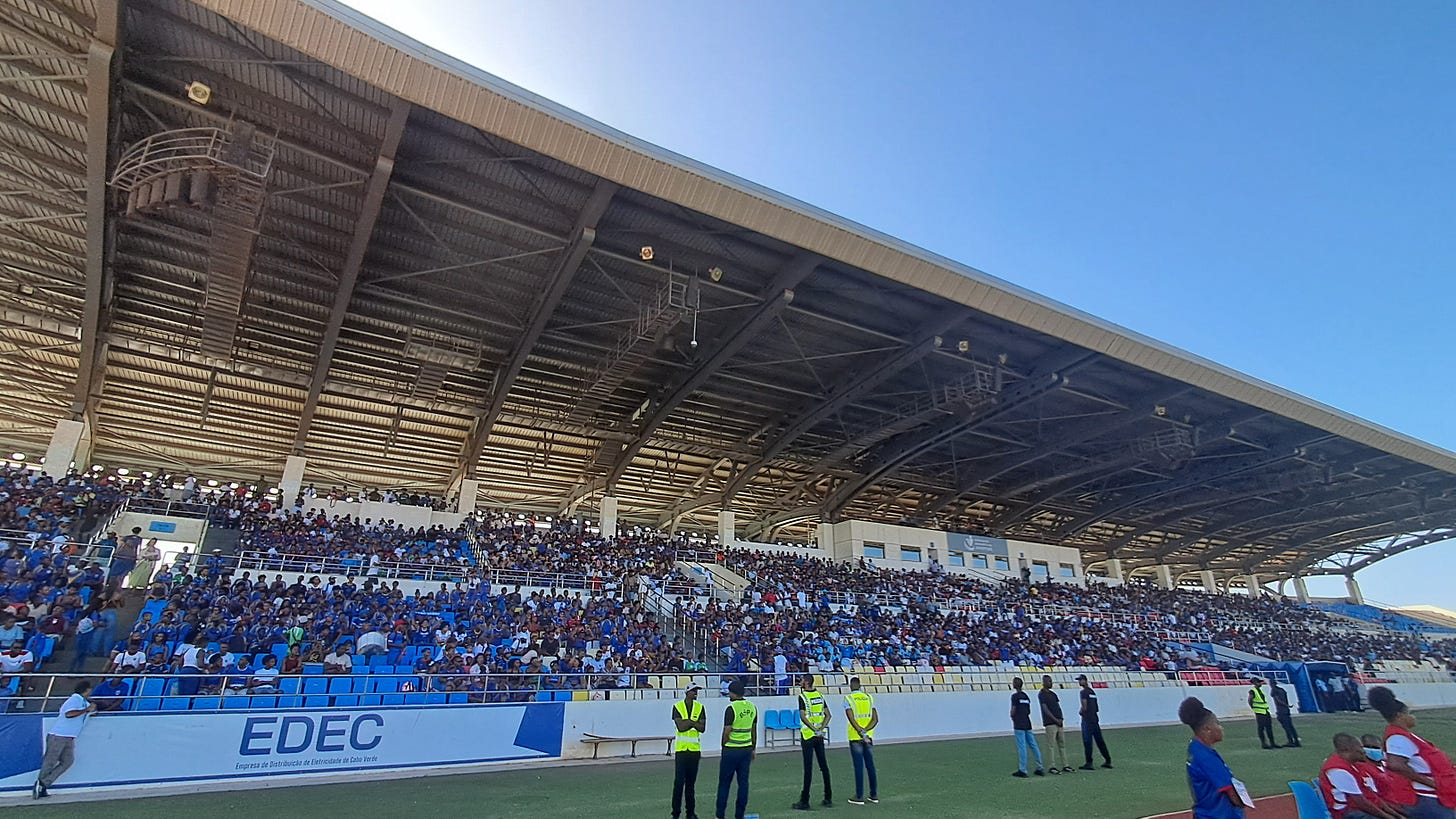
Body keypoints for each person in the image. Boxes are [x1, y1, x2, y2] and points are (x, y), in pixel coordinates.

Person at [1369, 686, 1456, 818]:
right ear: (1400, 716)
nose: (1413, 717)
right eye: (1409, 713)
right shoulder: (1397, 737)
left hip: (1432, 795)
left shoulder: (1404, 736)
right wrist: (1432, 783)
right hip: (1425, 797)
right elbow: (1396, 765)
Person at [1178, 696, 1248, 818]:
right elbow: (1232, 794)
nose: (1221, 728)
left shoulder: (1195, 747)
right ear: (1207, 728)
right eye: (1217, 723)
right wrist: (1243, 802)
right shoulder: (1206, 757)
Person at [35, 680, 96, 799]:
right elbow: (69, 714)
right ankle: (41, 785)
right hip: (59, 735)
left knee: (68, 761)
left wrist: (90, 710)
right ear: (87, 690)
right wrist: (86, 710)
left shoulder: (82, 701)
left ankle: (44, 783)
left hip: (69, 736)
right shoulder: (74, 700)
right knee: (50, 761)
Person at [1320, 732, 1404, 819]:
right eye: (1360, 747)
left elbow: (1372, 796)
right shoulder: (1338, 770)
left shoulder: (1354, 766)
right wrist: (1388, 817)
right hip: (1346, 813)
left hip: (1357, 809)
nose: (1363, 751)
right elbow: (1361, 802)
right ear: (1347, 749)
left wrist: (1397, 814)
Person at [715, 679, 756, 819]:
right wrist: (753, 748)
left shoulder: (731, 709)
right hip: (746, 749)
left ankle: (720, 815)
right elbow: (753, 730)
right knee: (743, 784)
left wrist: (723, 745)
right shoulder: (752, 707)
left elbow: (727, 731)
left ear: (733, 693)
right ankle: (739, 814)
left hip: (731, 749)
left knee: (724, 784)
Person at [793, 673, 833, 810]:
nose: (800, 682)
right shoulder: (820, 696)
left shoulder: (802, 697)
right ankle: (828, 797)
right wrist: (821, 729)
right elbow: (828, 715)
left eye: (802, 680)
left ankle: (805, 800)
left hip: (808, 736)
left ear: (806, 682)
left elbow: (803, 716)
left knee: (808, 769)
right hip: (819, 736)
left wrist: (813, 729)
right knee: (824, 767)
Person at [671, 683, 707, 819]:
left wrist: (688, 722)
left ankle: (690, 813)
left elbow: (702, 728)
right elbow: (681, 727)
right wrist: (694, 723)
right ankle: (676, 813)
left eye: (696, 691)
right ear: (687, 692)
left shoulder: (700, 707)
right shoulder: (677, 706)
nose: (695, 693)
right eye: (693, 691)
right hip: (681, 750)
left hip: (694, 750)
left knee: (691, 785)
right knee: (679, 783)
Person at [844, 676, 879, 805]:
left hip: (855, 737)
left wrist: (860, 731)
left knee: (858, 767)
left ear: (851, 686)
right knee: (870, 766)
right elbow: (875, 719)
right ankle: (873, 795)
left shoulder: (848, 699)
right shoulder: (869, 698)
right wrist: (866, 731)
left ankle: (859, 796)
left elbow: (851, 718)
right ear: (860, 686)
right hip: (868, 736)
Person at [1009, 676, 1044, 778]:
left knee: (1022, 746)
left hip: (1019, 724)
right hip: (1027, 722)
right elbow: (1028, 710)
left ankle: (1023, 769)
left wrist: (1012, 716)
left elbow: (1013, 710)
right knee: (1033, 745)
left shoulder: (1015, 696)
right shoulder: (1025, 696)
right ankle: (1040, 766)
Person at [1077, 674, 1112, 770]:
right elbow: (1096, 708)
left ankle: (1089, 762)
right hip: (1094, 719)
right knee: (1100, 741)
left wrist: (1081, 712)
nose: (1079, 682)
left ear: (1084, 681)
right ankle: (1108, 760)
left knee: (1087, 742)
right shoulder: (1092, 692)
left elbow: (1084, 707)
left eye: (1080, 680)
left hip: (1087, 720)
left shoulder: (1083, 692)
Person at [1038, 675, 1071, 774]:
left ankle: (1065, 765)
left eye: (1051, 681)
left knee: (1062, 744)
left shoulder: (1053, 694)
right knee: (1051, 745)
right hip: (1050, 723)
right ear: (1044, 682)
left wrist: (1061, 718)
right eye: (1049, 681)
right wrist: (1055, 719)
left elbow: (1058, 707)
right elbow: (1045, 709)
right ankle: (1051, 766)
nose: (1051, 683)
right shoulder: (1042, 694)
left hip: (1059, 722)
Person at [1248, 677, 1280, 749]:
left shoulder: (1259, 690)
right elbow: (1250, 700)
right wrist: (1254, 708)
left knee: (1269, 728)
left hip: (1265, 711)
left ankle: (1272, 743)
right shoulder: (1252, 691)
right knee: (1261, 728)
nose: (1260, 683)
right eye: (1259, 682)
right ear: (1255, 683)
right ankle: (1264, 744)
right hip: (1260, 712)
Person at [1270, 680, 1301, 748]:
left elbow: (1278, 700)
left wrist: (1286, 705)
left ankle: (1291, 741)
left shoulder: (1274, 690)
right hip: (1286, 710)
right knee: (1290, 726)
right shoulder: (1282, 690)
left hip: (1281, 711)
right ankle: (1296, 741)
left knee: (1286, 727)